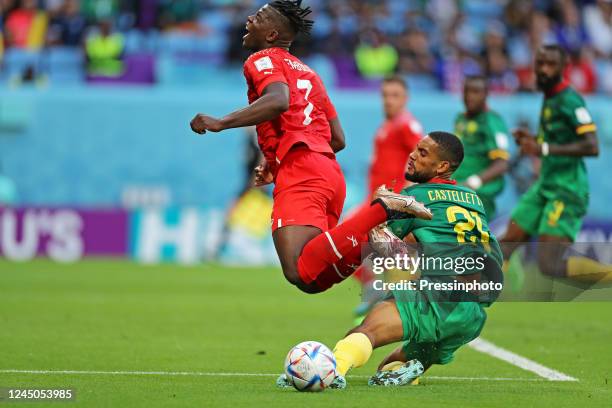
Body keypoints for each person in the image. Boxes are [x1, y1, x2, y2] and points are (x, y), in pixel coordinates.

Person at [189, 1, 432, 294]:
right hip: (327, 173)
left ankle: (379, 212)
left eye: (260, 16)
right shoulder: (309, 73)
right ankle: (371, 238)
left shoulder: (262, 59)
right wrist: (278, 162)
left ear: (272, 34)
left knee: (296, 268)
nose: (250, 18)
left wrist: (221, 122)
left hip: (303, 173)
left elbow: (279, 100)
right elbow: (338, 139)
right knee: (313, 279)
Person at [276, 132, 504, 388]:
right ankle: (409, 369)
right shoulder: (474, 201)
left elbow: (386, 247)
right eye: (416, 149)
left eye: (423, 153)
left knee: (364, 333)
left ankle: (327, 373)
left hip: (435, 298)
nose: (413, 155)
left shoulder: (416, 197)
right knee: (390, 366)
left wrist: (377, 223)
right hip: (471, 315)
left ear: (442, 167)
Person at [501, 45, 611, 283]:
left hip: (566, 190)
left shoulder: (570, 101)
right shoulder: (549, 97)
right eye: (540, 63)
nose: (544, 69)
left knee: (549, 265)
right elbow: (557, 139)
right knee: (506, 243)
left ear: (564, 68)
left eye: (550, 64)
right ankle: (470, 304)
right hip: (545, 185)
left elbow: (592, 146)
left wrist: (543, 148)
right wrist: (534, 141)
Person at [352, 75, 423, 317]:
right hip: (375, 201)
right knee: (375, 250)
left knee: (349, 238)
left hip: (387, 203)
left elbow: (423, 159)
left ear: (405, 99)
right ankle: (381, 292)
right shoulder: (387, 127)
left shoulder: (407, 125)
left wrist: (403, 198)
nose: (388, 101)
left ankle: (381, 292)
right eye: (385, 95)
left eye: (394, 96)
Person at [453, 75, 510, 219]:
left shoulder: (492, 122)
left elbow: (502, 164)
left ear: (486, 94)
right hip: (456, 190)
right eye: (467, 91)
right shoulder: (460, 119)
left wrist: (473, 182)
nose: (469, 97)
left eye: (476, 92)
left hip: (477, 195)